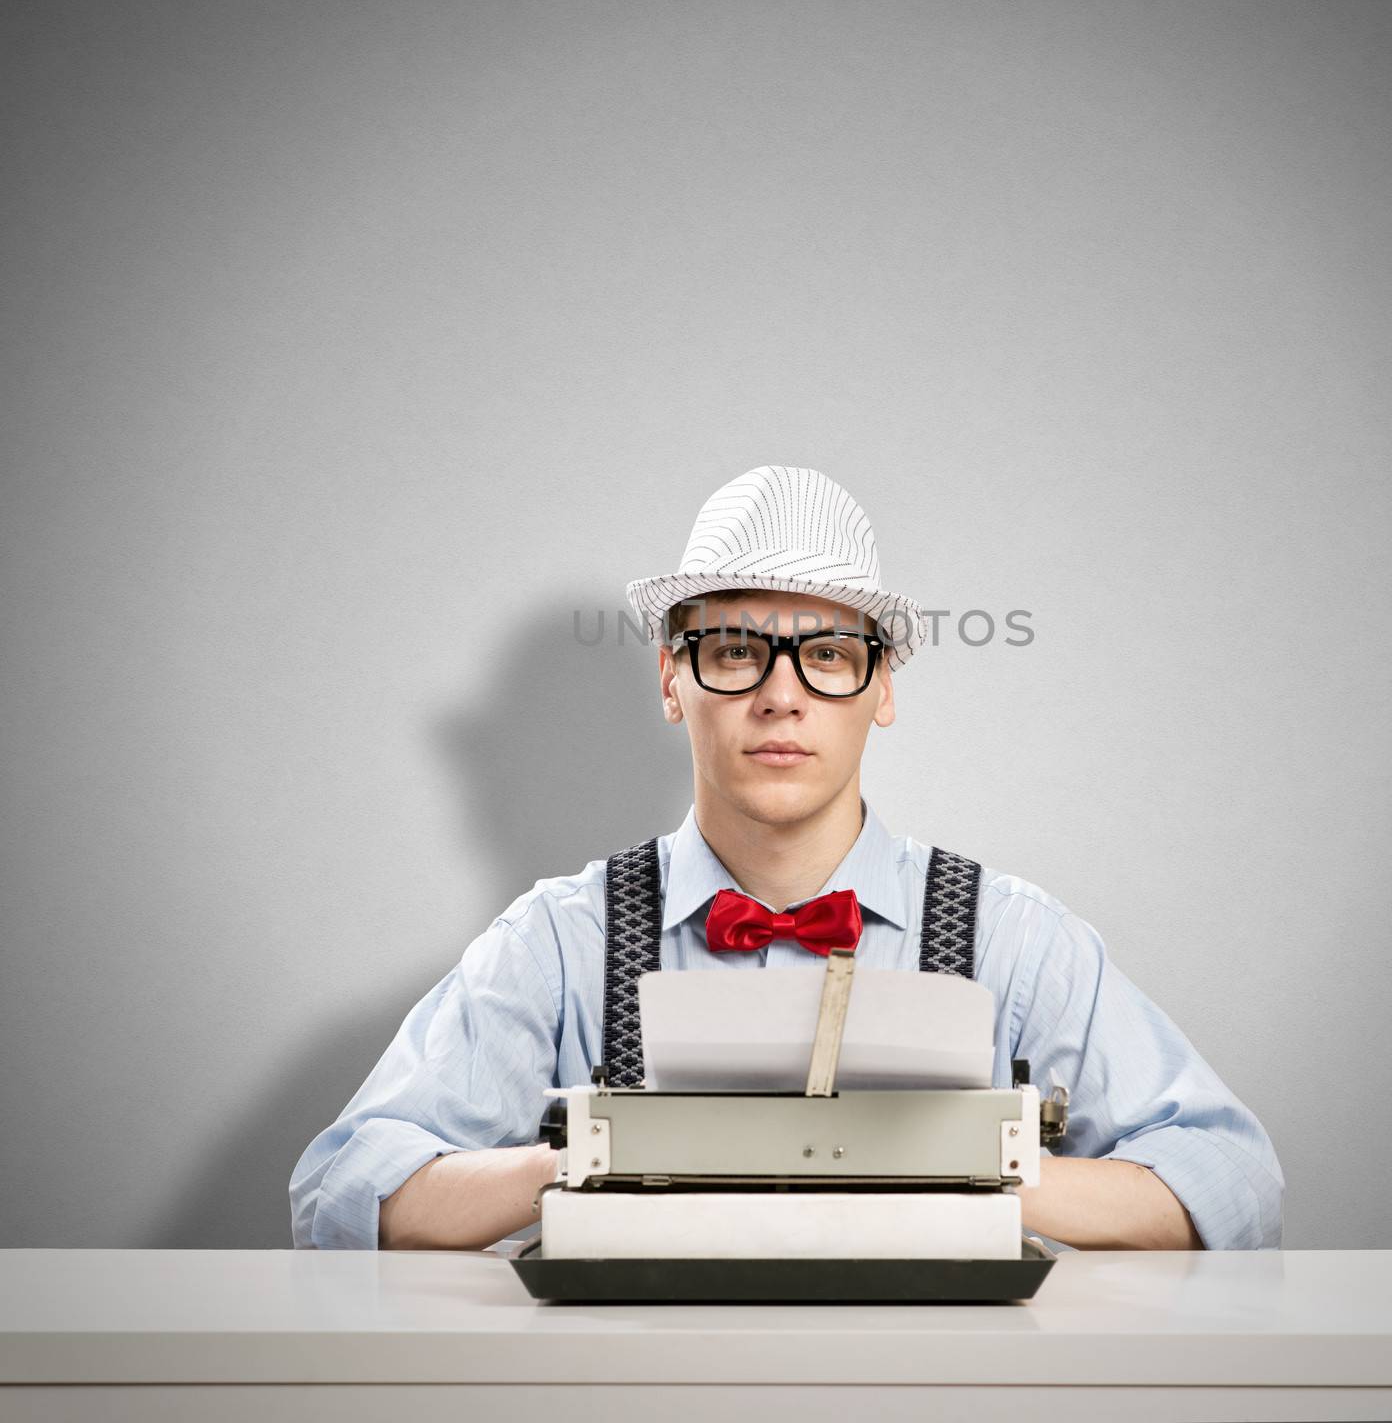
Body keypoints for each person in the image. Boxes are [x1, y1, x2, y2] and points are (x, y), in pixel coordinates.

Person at [290, 464, 1284, 1252]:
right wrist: (579, 1163)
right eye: (733, 651)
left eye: (827, 655)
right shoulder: (558, 939)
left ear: (879, 689)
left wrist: (980, 1167)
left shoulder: (1010, 939)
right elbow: (341, 1190)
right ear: (672, 681)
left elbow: (1231, 1182)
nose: (780, 696)